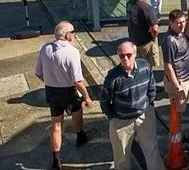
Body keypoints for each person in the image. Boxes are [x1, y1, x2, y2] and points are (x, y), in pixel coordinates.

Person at [35, 21, 94, 170]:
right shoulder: (72, 52)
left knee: (56, 125)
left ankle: (56, 161)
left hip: (51, 90)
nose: (74, 34)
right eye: (73, 32)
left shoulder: (45, 49)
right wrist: (86, 96)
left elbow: (38, 73)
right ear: (67, 35)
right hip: (68, 90)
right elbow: (77, 81)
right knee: (77, 111)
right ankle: (80, 135)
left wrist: (49, 80)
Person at [101, 41, 165, 170]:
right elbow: (105, 101)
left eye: (129, 55)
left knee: (151, 150)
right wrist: (114, 117)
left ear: (135, 54)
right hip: (122, 121)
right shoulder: (113, 77)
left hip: (144, 115)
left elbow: (151, 88)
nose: (125, 59)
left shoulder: (145, 67)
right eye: (122, 56)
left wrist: (149, 106)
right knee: (122, 157)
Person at [162, 10, 189, 115]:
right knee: (176, 112)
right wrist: (178, 87)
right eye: (178, 23)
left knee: (180, 109)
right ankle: (175, 131)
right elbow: (168, 66)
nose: (182, 25)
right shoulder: (169, 41)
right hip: (179, 82)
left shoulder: (181, 33)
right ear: (171, 24)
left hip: (186, 78)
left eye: (184, 21)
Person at [127, 0, 160, 68]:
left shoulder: (130, 3)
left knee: (137, 66)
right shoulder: (146, 8)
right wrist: (153, 38)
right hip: (146, 42)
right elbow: (155, 28)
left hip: (134, 40)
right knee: (147, 67)